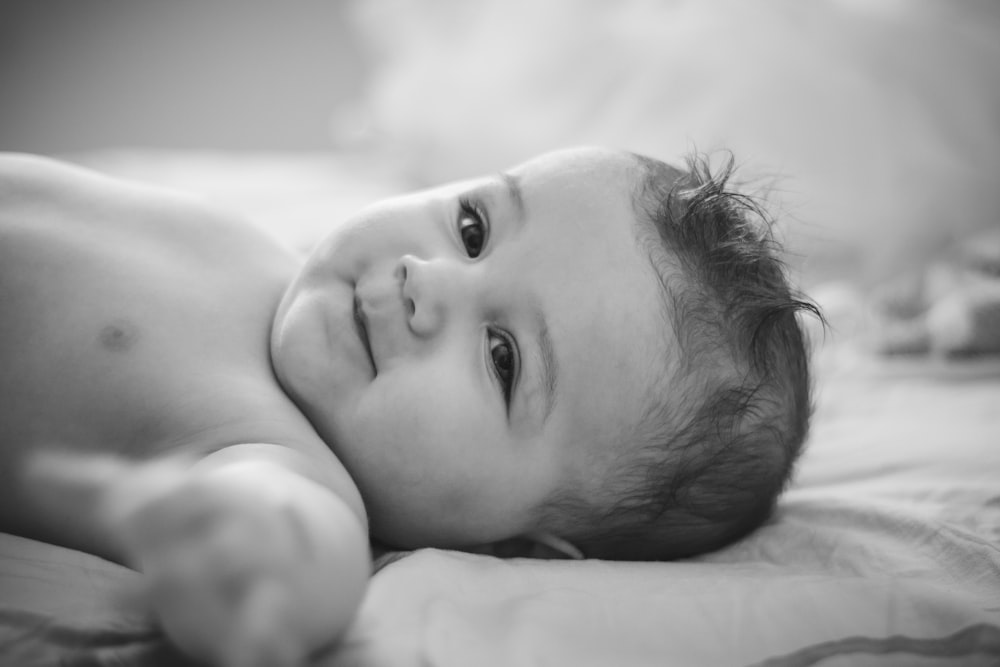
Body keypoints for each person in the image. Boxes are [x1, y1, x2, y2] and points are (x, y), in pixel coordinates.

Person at [0, 147, 817, 666]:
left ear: (521, 545)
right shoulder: (270, 261)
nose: (426, 279)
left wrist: (255, 558)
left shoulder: (284, 459)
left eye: (502, 357)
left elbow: (291, 553)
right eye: (472, 225)